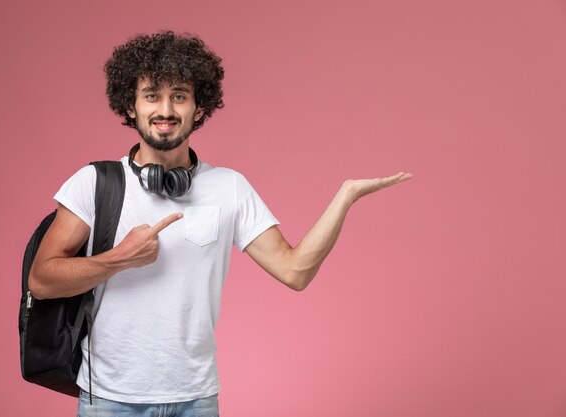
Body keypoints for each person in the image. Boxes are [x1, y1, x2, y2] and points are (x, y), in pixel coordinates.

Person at [28, 31, 412, 417]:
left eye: (179, 95)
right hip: (109, 400)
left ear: (199, 108)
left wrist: (345, 196)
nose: (165, 110)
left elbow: (295, 271)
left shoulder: (228, 187)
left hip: (196, 400)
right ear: (131, 107)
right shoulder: (94, 183)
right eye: (151, 96)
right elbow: (42, 280)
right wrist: (118, 259)